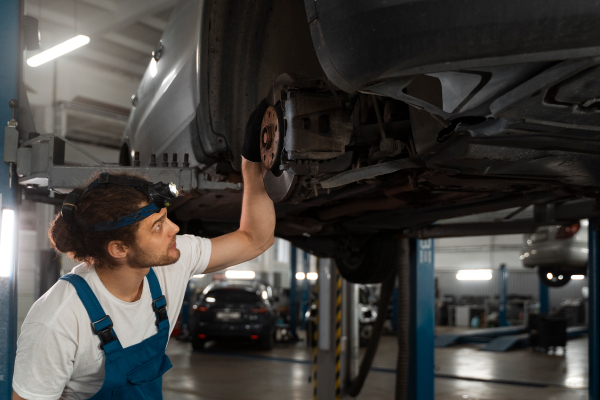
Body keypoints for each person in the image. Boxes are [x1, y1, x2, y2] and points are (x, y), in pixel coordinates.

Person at [12, 100, 273, 400]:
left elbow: (256, 238)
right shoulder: (58, 320)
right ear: (119, 249)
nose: (175, 229)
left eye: (165, 218)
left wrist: (251, 165)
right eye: (158, 226)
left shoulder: (169, 264)